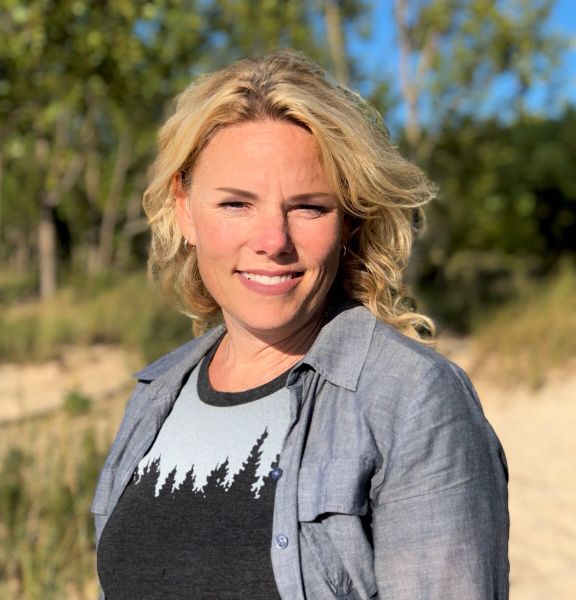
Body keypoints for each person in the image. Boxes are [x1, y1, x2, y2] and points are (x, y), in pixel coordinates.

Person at [92, 50, 509, 600]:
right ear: (185, 210)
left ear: (350, 221)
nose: (273, 240)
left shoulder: (413, 400)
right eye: (237, 204)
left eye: (309, 207)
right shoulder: (156, 395)